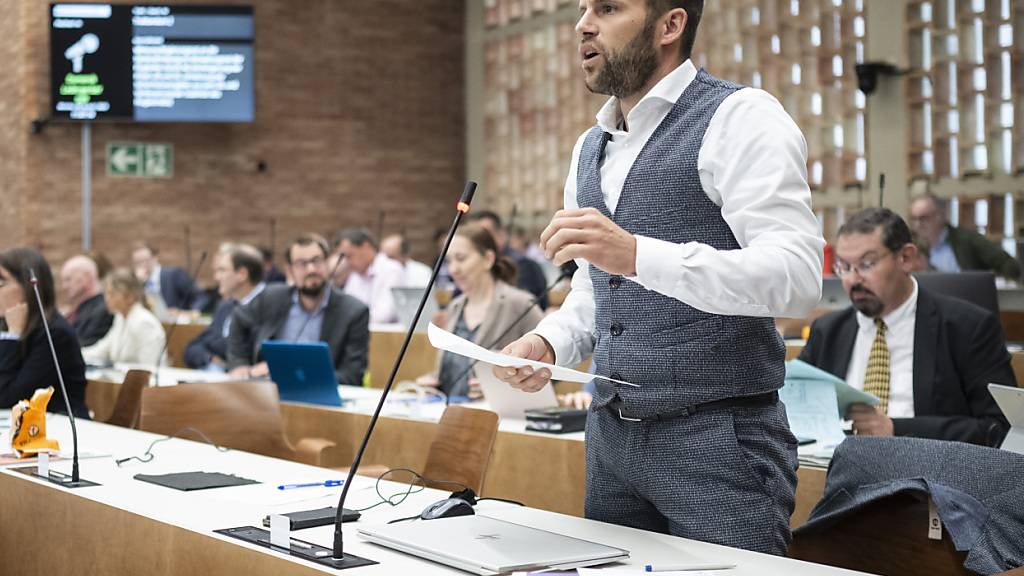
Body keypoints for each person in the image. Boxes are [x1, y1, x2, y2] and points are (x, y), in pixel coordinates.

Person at [493, 0, 823, 555]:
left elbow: (797, 276)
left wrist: (637, 254)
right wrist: (550, 342)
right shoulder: (588, 147)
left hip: (718, 441)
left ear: (670, 25)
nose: (583, 24)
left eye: (607, 8)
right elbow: (595, 287)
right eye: (582, 9)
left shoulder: (740, 116)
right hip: (611, 438)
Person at [799, 208, 1011, 446]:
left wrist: (896, 429)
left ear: (906, 258)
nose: (853, 279)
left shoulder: (967, 328)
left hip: (926, 464)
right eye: (844, 267)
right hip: (834, 463)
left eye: (867, 264)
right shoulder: (827, 331)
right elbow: (798, 412)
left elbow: (998, 428)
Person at [416, 225, 543, 398]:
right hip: (449, 407)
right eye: (449, 261)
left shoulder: (520, 304)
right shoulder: (455, 307)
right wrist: (432, 381)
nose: (453, 269)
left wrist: (500, 387)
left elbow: (550, 367)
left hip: (494, 411)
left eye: (461, 258)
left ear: (488, 259)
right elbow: (456, 369)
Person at [227, 234, 369, 386]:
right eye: (301, 264)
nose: (311, 269)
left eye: (317, 261)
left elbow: (352, 375)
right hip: (270, 390)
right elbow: (238, 318)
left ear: (327, 264)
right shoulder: (271, 297)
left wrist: (290, 374)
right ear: (290, 271)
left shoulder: (353, 311)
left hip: (321, 392)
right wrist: (239, 365)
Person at [0, 247, 89, 418]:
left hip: (60, 427)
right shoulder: (10, 325)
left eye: (1, 282)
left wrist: (12, 336)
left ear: (27, 286)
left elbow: (8, 397)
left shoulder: (54, 334)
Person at [184, 243, 266, 371]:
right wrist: (210, 358)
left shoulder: (271, 306)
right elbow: (192, 348)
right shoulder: (225, 307)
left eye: (222, 270)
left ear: (242, 274)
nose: (216, 277)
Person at [909, 194, 1020, 280]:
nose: (918, 224)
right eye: (914, 219)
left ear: (941, 215)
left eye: (923, 218)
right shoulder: (911, 245)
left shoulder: (967, 239)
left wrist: (994, 284)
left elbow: (1008, 264)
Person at [82, 268, 167, 366]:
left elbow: (149, 367)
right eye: (106, 294)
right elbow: (102, 349)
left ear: (129, 297)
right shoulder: (120, 318)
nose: (106, 299)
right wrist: (75, 354)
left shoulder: (144, 323)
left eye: (112, 294)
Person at [471, 210, 550, 309]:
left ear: (501, 235)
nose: (479, 241)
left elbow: (519, 307)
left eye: (485, 234)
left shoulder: (523, 265)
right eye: (474, 236)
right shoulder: (475, 265)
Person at [334, 228, 406, 324]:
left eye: (350, 256)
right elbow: (346, 308)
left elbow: (385, 314)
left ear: (366, 247)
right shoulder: (355, 275)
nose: (347, 262)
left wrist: (350, 321)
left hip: (384, 332)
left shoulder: (392, 270)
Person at [131, 242, 206, 313]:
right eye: (138, 262)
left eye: (145, 260)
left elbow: (200, 297)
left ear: (155, 258)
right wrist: (137, 283)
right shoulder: (137, 281)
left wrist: (190, 313)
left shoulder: (173, 274)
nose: (142, 264)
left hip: (174, 319)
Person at [60, 255, 114, 346]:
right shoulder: (82, 309)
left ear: (87, 277)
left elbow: (83, 344)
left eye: (68, 279)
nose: (64, 286)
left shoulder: (103, 310)